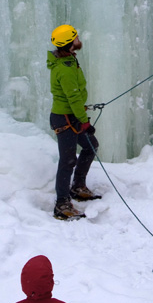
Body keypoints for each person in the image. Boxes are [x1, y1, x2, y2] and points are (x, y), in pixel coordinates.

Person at [47, 25, 100, 221]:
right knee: (68, 160)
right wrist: (85, 122)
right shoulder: (65, 69)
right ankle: (62, 204)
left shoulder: (68, 60)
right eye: (76, 38)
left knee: (91, 146)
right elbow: (73, 97)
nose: (79, 39)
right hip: (66, 118)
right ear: (70, 44)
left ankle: (77, 186)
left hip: (70, 116)